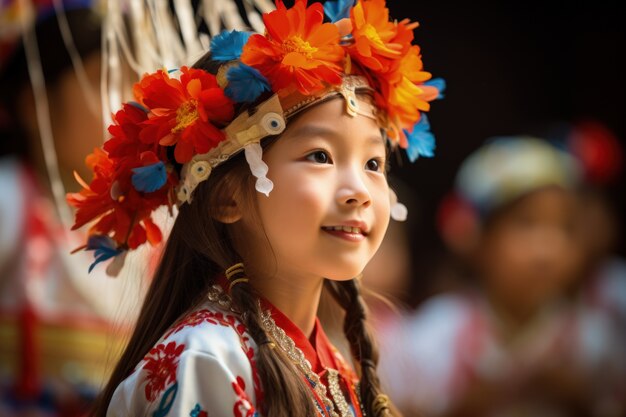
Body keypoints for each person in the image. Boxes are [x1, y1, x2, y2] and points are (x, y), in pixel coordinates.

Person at [66, 0, 443, 416]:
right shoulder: (203, 361)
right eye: (320, 156)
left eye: (373, 164)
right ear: (228, 198)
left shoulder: (333, 367)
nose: (360, 191)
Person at [379, 137, 624, 417]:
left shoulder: (596, 341)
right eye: (526, 223)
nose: (547, 248)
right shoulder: (437, 335)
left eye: (566, 228)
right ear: (477, 237)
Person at [0, 2, 145, 415]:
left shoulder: (157, 222)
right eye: (103, 82)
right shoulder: (8, 200)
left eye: (132, 85)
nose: (127, 109)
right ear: (34, 104)